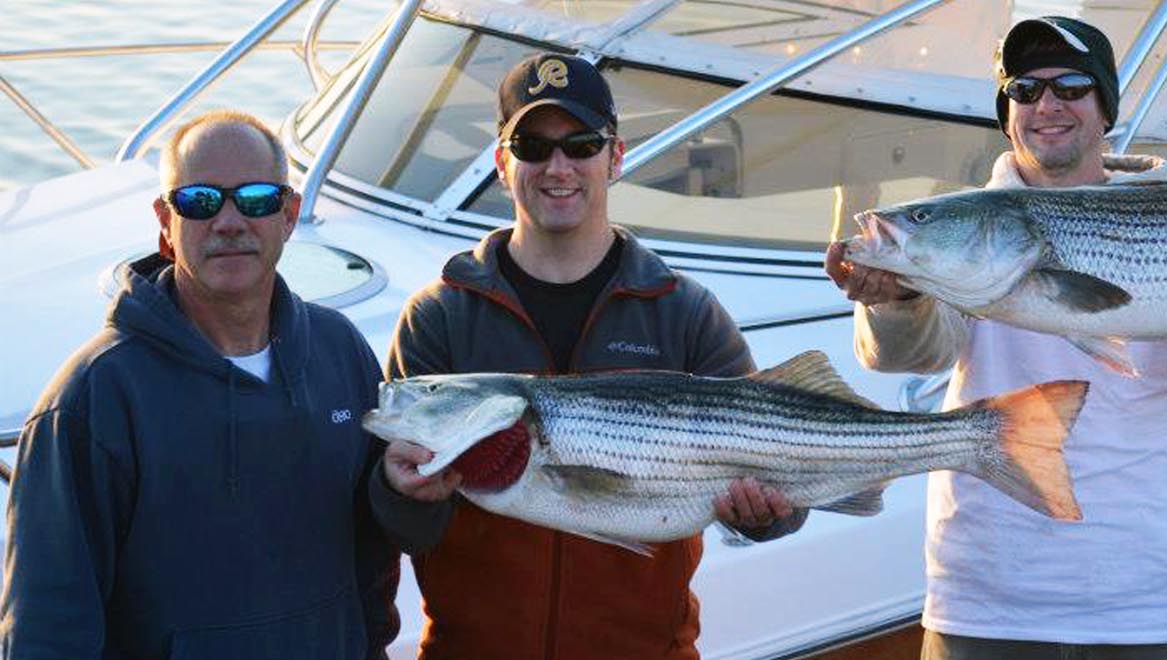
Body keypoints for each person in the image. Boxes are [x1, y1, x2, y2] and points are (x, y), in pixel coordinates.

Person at [824, 17, 1167, 660]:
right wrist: (897, 298)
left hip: (1146, 602)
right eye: (1025, 90)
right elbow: (912, 356)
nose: (1047, 105)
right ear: (1007, 117)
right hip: (984, 597)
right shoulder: (969, 226)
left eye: (1072, 86)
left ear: (1105, 108)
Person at [370, 53, 807, 659]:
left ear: (615, 157)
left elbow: (784, 494)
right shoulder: (440, 316)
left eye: (581, 145)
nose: (558, 167)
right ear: (502, 163)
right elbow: (399, 529)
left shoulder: (683, 311)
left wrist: (765, 515)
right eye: (532, 146)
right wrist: (400, 492)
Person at [0, 110, 400, 659]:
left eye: (256, 199)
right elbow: (47, 628)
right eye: (200, 201)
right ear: (166, 222)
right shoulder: (95, 396)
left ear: (288, 215)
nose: (229, 221)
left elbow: (372, 561)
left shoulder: (341, 351)